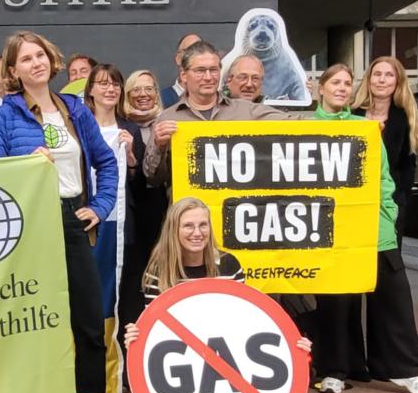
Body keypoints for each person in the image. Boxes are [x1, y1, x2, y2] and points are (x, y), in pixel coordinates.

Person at [0, 31, 141, 393]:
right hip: (28, 223)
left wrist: (101, 206)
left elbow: (107, 163)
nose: (35, 63)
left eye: (40, 55)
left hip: (73, 217)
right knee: (30, 318)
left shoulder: (74, 109)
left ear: (51, 61)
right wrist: (23, 163)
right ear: (13, 70)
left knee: (88, 314)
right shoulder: (5, 114)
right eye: (25, 59)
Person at [311, 63, 418, 393]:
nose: (342, 88)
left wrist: (388, 214)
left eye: (347, 83)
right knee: (336, 299)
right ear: (320, 87)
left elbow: (384, 176)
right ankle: (335, 369)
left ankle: (407, 370)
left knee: (393, 294)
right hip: (327, 230)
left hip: (373, 227)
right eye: (335, 82)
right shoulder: (305, 127)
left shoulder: (365, 128)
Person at [122, 197, 312, 354]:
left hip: (226, 354)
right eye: (188, 226)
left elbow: (244, 319)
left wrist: (290, 344)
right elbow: (156, 329)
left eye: (203, 225)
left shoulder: (229, 265)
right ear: (174, 230)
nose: (197, 233)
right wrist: (138, 338)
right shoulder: (159, 271)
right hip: (180, 356)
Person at [142, 41, 299, 190]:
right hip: (190, 215)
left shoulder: (247, 111)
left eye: (214, 70)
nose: (209, 77)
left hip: (233, 210)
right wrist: (159, 146)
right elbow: (152, 178)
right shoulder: (168, 119)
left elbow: (299, 124)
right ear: (184, 75)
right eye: (200, 71)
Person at [85, 66, 159, 351]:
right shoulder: (79, 125)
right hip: (87, 219)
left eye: (115, 84)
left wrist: (130, 160)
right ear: (89, 89)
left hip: (121, 223)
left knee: (124, 291)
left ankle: (123, 364)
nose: (110, 89)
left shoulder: (127, 128)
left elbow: (142, 185)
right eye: (102, 84)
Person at [352, 56, 418, 248]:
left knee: (389, 264)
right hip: (353, 201)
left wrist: (399, 203)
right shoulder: (351, 113)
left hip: (388, 203)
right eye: (377, 74)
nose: (382, 80)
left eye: (389, 75)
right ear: (369, 79)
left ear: (397, 82)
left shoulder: (405, 119)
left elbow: (407, 168)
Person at [159, 33, 202, 106]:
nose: (195, 55)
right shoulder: (160, 100)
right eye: (189, 50)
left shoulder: (216, 100)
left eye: (200, 51)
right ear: (178, 59)